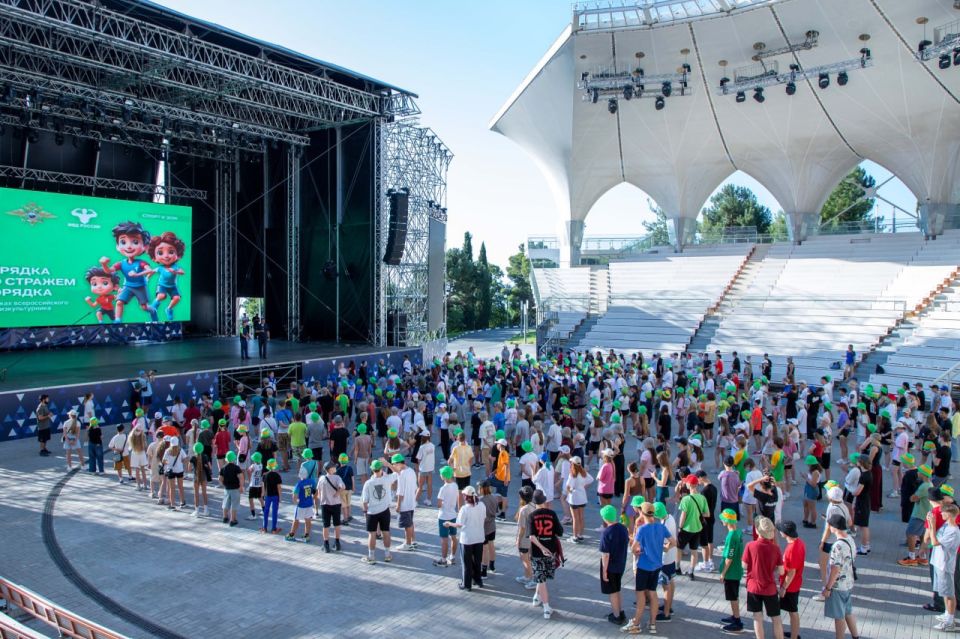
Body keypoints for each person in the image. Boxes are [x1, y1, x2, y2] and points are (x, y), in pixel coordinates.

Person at [624, 501, 674, 635]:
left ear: (642, 513)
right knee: (653, 593)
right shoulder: (661, 527)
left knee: (640, 594)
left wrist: (637, 552)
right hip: (656, 566)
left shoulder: (642, 529)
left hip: (643, 567)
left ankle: (636, 623)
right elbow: (673, 542)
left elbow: (633, 548)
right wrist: (665, 548)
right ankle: (652, 624)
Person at [742, 517, 784, 639]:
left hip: (753, 587)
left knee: (757, 617)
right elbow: (781, 571)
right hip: (770, 588)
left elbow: (744, 566)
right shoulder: (776, 548)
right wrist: (771, 569)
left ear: (757, 531)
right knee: (776, 618)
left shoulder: (750, 545)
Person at [822, 513, 860, 639]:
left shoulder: (837, 546)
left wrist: (828, 588)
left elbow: (835, 569)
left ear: (835, 528)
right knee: (848, 611)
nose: (829, 527)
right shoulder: (850, 539)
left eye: (830, 525)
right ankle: (855, 636)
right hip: (848, 582)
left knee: (839, 617)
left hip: (838, 586)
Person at [528, 489, 563, 620]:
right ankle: (545, 607)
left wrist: (541, 547)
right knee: (542, 578)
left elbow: (532, 537)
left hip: (537, 552)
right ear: (544, 500)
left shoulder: (531, 516)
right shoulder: (552, 514)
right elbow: (560, 532)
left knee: (540, 577)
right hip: (551, 551)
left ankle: (541, 602)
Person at [445, 485, 485, 591]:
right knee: (477, 561)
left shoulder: (464, 509)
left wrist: (449, 523)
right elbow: (484, 518)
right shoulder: (481, 505)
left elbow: (459, 524)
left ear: (466, 497)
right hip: (479, 537)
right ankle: (478, 580)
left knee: (466, 563)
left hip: (467, 539)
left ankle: (466, 584)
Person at [360, 459, 398, 564]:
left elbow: (364, 501)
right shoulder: (387, 479)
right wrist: (388, 464)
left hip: (372, 512)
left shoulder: (368, 483)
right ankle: (387, 555)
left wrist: (365, 512)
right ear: (381, 469)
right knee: (386, 532)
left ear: (372, 470)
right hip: (385, 510)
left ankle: (371, 557)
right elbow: (398, 472)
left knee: (371, 534)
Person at [599, 503, 628, 625]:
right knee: (617, 589)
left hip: (611, 567)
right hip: (621, 564)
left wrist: (604, 571)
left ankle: (617, 616)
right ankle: (620, 611)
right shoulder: (623, 528)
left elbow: (605, 555)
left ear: (605, 518)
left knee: (613, 591)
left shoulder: (606, 533)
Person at [777, 521, 805, 639]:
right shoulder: (799, 542)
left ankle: (794, 636)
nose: (779, 532)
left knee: (793, 612)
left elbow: (791, 571)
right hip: (795, 583)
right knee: (792, 611)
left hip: (790, 586)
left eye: (780, 530)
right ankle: (794, 633)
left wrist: (784, 587)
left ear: (785, 533)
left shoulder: (792, 549)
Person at [719, 508, 745, 633]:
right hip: (737, 569)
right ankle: (734, 616)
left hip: (731, 573)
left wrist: (723, 573)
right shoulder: (738, 532)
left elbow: (729, 557)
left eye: (723, 519)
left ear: (727, 521)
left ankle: (737, 621)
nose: (721, 521)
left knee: (733, 597)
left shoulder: (731, 536)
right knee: (733, 596)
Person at [388, 453, 419, 551]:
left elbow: (400, 492)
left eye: (394, 464)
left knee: (407, 525)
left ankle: (408, 544)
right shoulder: (411, 471)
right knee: (410, 523)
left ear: (398, 463)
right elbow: (415, 487)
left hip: (405, 504)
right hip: (412, 503)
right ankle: (413, 541)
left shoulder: (402, 474)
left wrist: (398, 505)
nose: (393, 467)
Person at [434, 466, 460, 568]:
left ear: (444, 476)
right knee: (453, 537)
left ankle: (443, 559)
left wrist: (442, 505)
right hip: (453, 515)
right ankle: (452, 557)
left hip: (443, 516)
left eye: (441, 474)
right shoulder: (455, 485)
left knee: (444, 539)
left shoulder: (443, 489)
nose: (440, 475)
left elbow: (439, 504)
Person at [318, 460, 345, 552]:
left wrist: (321, 498)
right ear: (330, 469)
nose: (335, 467)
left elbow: (318, 491)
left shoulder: (321, 478)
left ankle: (326, 545)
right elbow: (343, 487)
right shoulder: (337, 478)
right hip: (336, 504)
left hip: (325, 504)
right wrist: (337, 493)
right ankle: (337, 543)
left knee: (326, 525)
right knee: (337, 524)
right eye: (334, 467)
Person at [287, 466, 316, 543]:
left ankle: (291, 535)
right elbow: (316, 491)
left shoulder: (299, 484)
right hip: (309, 504)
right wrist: (313, 498)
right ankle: (307, 536)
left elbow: (295, 495)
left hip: (301, 505)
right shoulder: (311, 481)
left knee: (296, 520)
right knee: (308, 520)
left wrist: (295, 502)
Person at [218, 450, 243, 526]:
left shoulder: (223, 468)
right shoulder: (236, 468)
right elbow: (241, 477)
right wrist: (241, 486)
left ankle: (225, 517)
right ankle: (233, 520)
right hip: (235, 489)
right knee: (234, 504)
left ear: (226, 459)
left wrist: (223, 484)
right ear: (234, 459)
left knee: (226, 503)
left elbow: (220, 478)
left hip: (227, 488)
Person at [262, 458, 282, 533]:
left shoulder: (265, 475)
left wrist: (263, 494)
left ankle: (264, 528)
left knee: (266, 511)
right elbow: (279, 487)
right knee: (274, 512)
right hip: (275, 496)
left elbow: (263, 486)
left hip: (267, 495)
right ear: (275, 466)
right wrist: (280, 497)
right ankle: (274, 529)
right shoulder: (277, 475)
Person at [191, 442, 210, 517]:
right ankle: (206, 510)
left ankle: (197, 511)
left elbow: (189, 468)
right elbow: (210, 467)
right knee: (204, 492)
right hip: (204, 476)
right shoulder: (205, 456)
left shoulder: (193, 457)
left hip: (196, 476)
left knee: (196, 493)